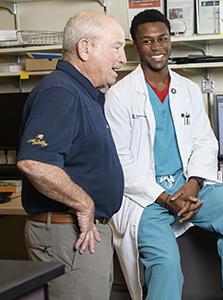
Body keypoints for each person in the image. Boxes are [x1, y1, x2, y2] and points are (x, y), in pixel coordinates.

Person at [104, 9, 223, 300]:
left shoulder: (188, 89)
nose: (157, 47)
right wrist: (166, 198)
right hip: (146, 198)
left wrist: (191, 185)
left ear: (170, 40)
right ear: (136, 45)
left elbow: (205, 143)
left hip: (188, 187)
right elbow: (121, 162)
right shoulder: (119, 95)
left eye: (163, 39)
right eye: (147, 41)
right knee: (166, 264)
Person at [16, 11, 127, 300]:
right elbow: (34, 162)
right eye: (116, 47)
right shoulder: (61, 92)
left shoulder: (84, 93)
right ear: (85, 48)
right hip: (71, 235)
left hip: (80, 235)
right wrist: (85, 203)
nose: (123, 58)